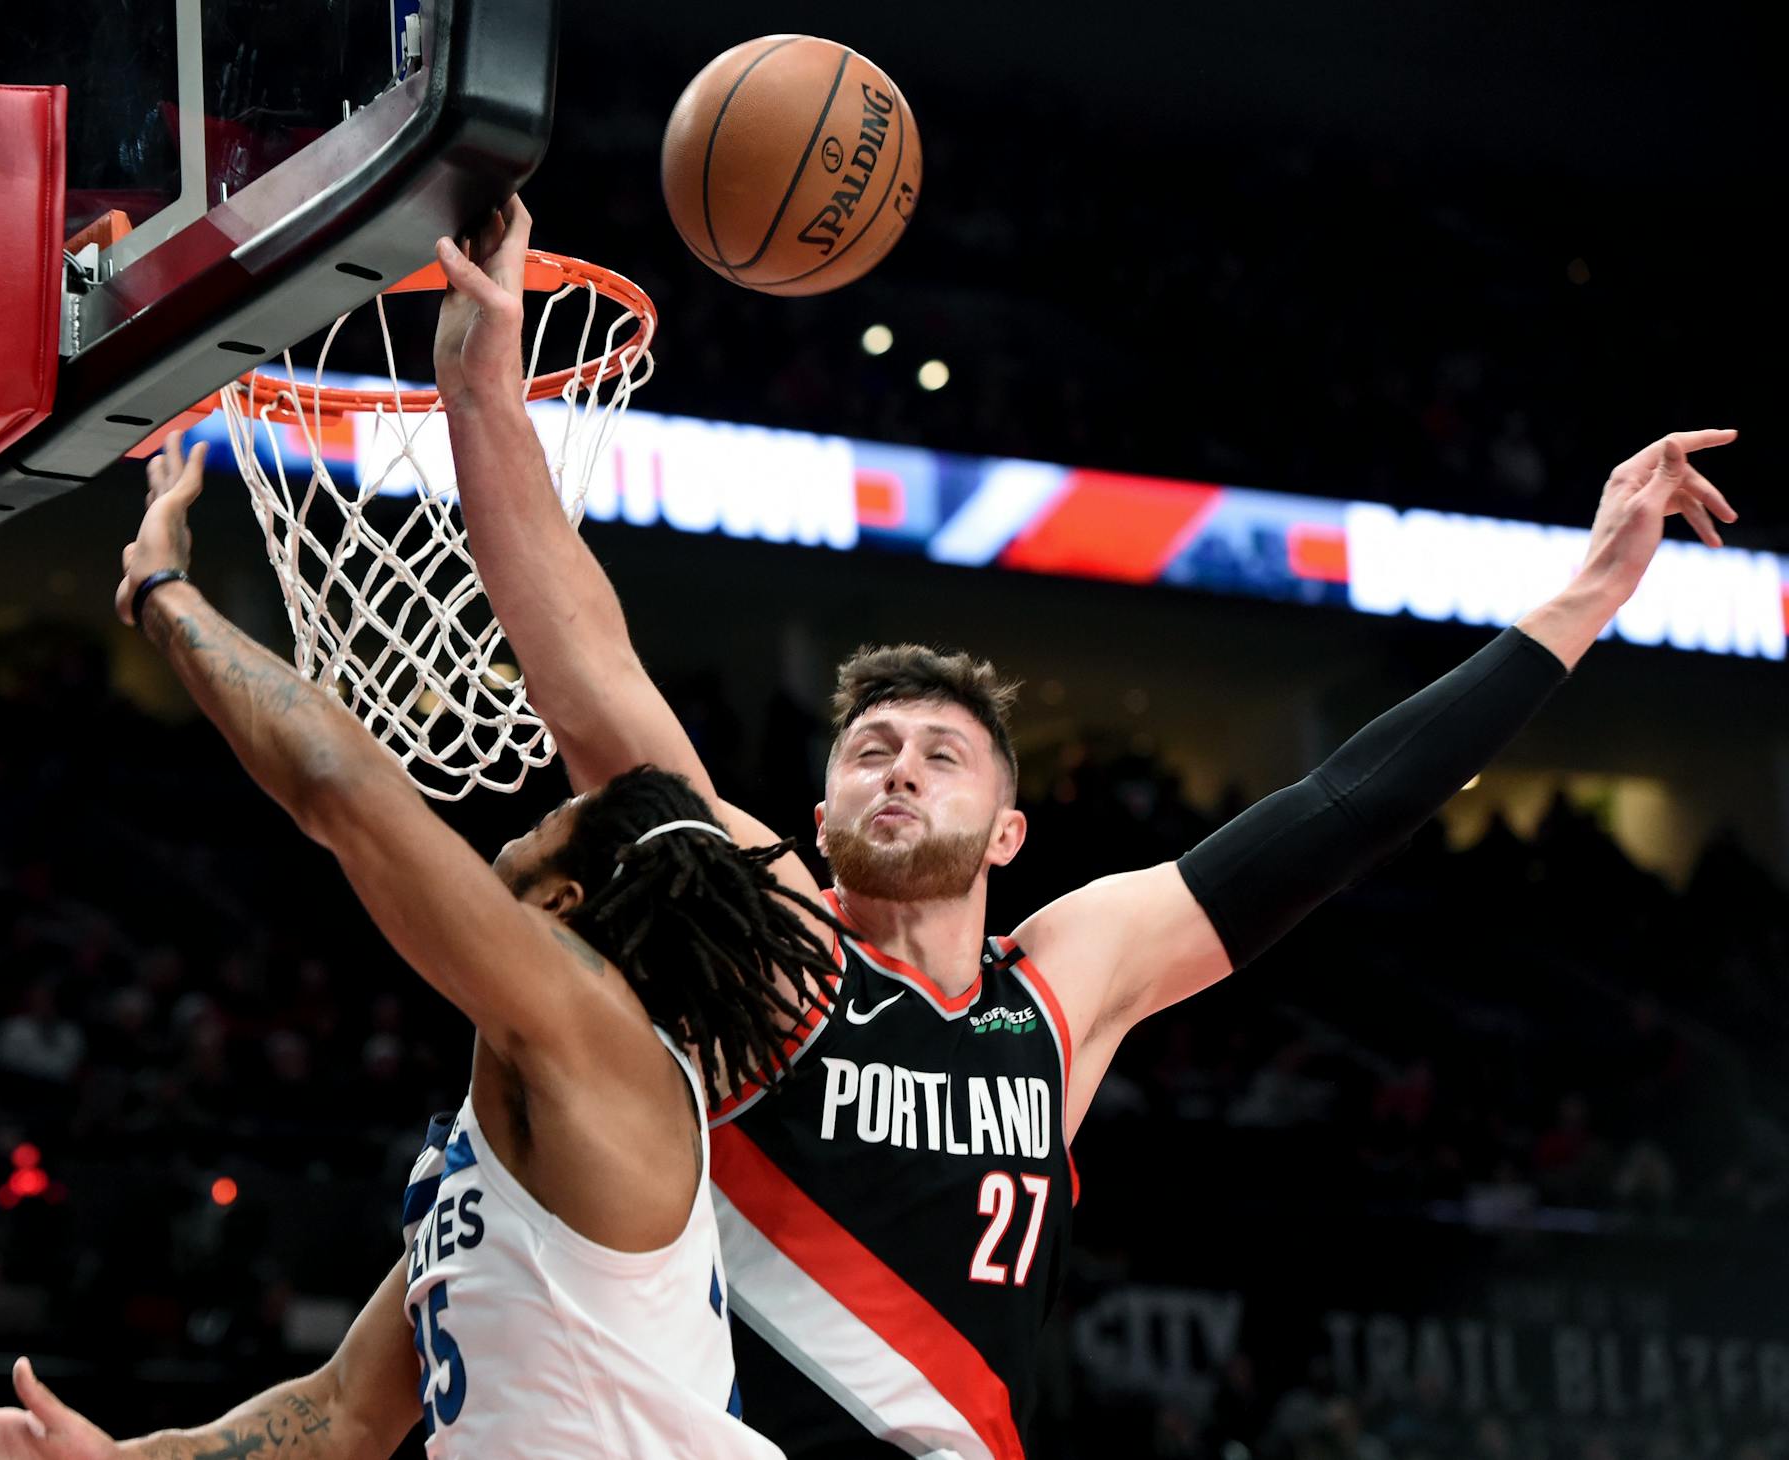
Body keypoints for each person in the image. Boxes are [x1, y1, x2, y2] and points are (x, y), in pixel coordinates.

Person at [423, 196, 1742, 1457]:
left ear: (1009, 831)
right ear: (817, 817)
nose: (899, 770)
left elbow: (1346, 805)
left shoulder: (1062, 987)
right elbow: (593, 683)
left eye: (942, 755)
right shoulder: (768, 940)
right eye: (870, 751)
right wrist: (484, 398)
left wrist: (1587, 592)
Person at [0, 430, 844, 1460]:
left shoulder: (599, 1028)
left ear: (564, 901)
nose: (519, 822)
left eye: (552, 818)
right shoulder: (519, 1138)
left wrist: (163, 593)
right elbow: (343, 1412)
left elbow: (345, 790)